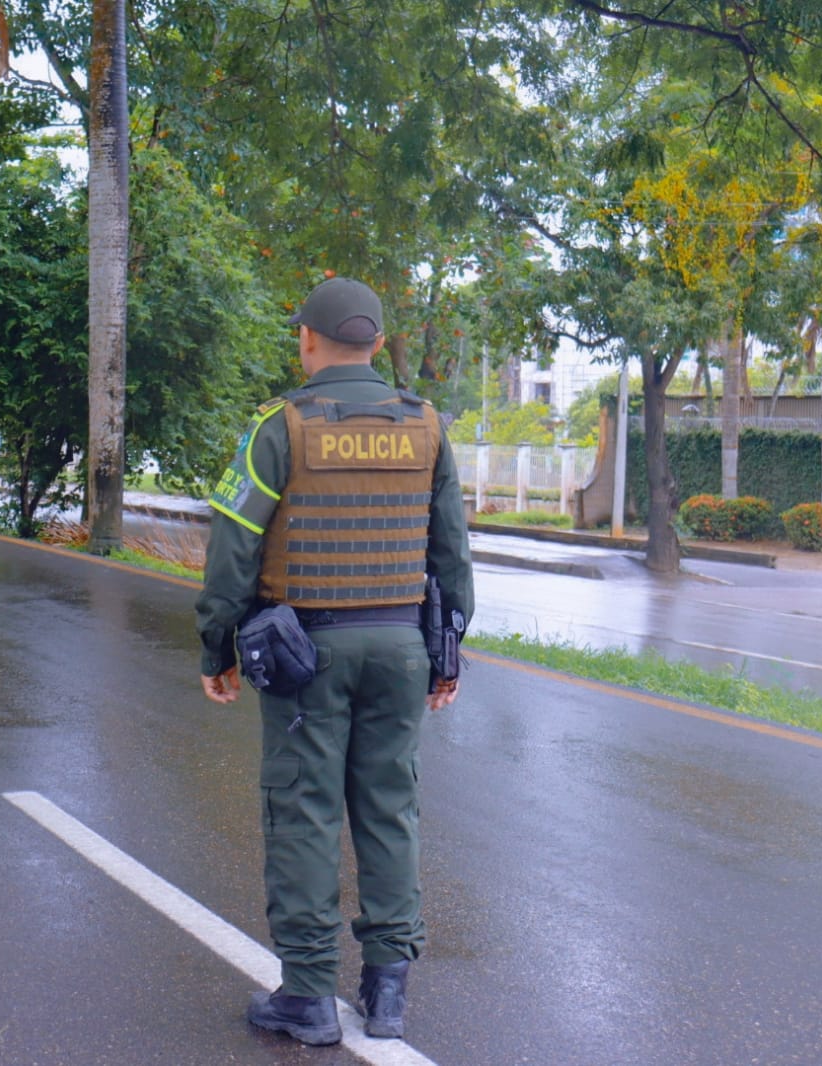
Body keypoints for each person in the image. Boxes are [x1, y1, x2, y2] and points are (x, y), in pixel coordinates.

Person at [195, 276, 474, 1047]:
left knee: (303, 810)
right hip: (400, 647)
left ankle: (308, 996)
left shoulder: (279, 426)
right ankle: (386, 996)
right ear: (378, 345)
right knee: (389, 807)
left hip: (303, 652)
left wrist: (216, 646)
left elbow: (232, 550)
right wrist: (446, 652)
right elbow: (451, 552)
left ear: (306, 341)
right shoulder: (426, 426)